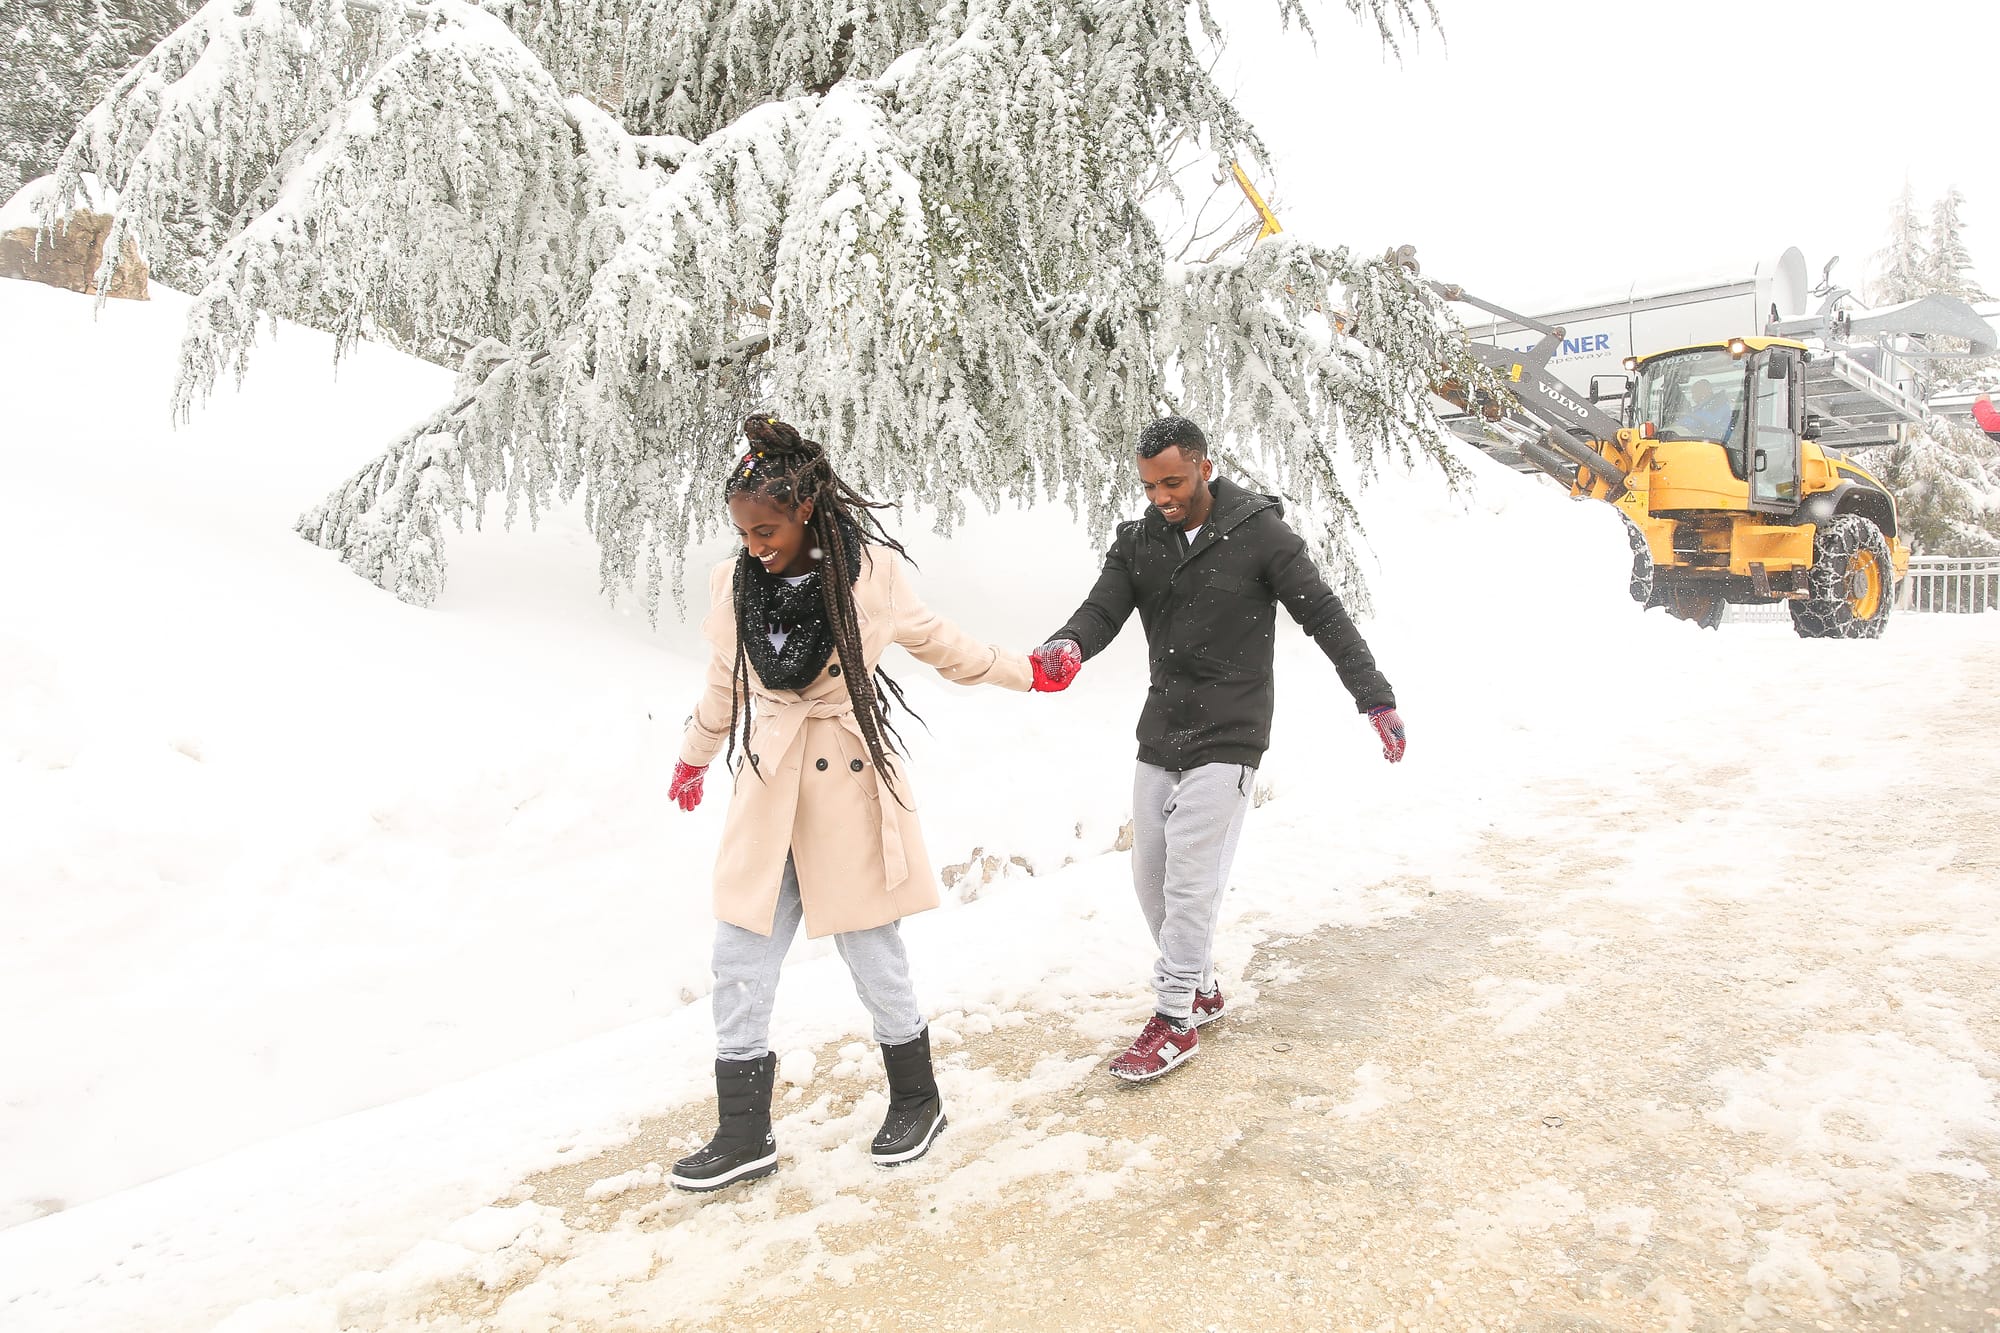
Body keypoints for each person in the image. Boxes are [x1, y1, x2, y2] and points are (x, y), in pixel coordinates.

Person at [666, 414, 1039, 1192]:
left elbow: (944, 644)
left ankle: (918, 1098)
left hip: (846, 782)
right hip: (769, 784)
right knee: (738, 955)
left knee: (872, 952)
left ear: (804, 510)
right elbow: (724, 678)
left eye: (766, 530)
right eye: (743, 532)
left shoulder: (869, 575)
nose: (753, 546)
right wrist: (694, 756)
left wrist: (1025, 671)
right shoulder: (734, 582)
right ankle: (743, 1131)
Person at [1029, 416, 1406, 1083]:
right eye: (1150, 486)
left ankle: (1174, 1017)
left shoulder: (1260, 534)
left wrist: (1374, 697)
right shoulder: (1140, 541)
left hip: (1232, 730)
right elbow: (1102, 609)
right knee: (1150, 880)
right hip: (1162, 727)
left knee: (1190, 878)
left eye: (1173, 482)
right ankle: (1199, 987)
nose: (1161, 498)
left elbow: (1325, 615)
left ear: (1205, 467)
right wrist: (1069, 643)